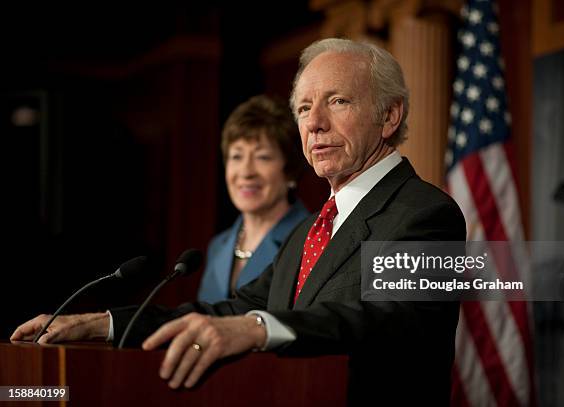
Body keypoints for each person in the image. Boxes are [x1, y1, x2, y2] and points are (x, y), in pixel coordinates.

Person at [12, 38, 465, 405]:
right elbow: (225, 312)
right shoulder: (311, 232)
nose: (315, 123)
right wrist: (105, 324)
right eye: (304, 108)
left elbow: (390, 318)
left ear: (390, 115)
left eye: (338, 101)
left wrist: (257, 327)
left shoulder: (428, 214)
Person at [198, 95, 309, 303]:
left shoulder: (310, 241)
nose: (246, 172)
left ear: (290, 171)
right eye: (237, 156)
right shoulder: (218, 246)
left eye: (262, 157)